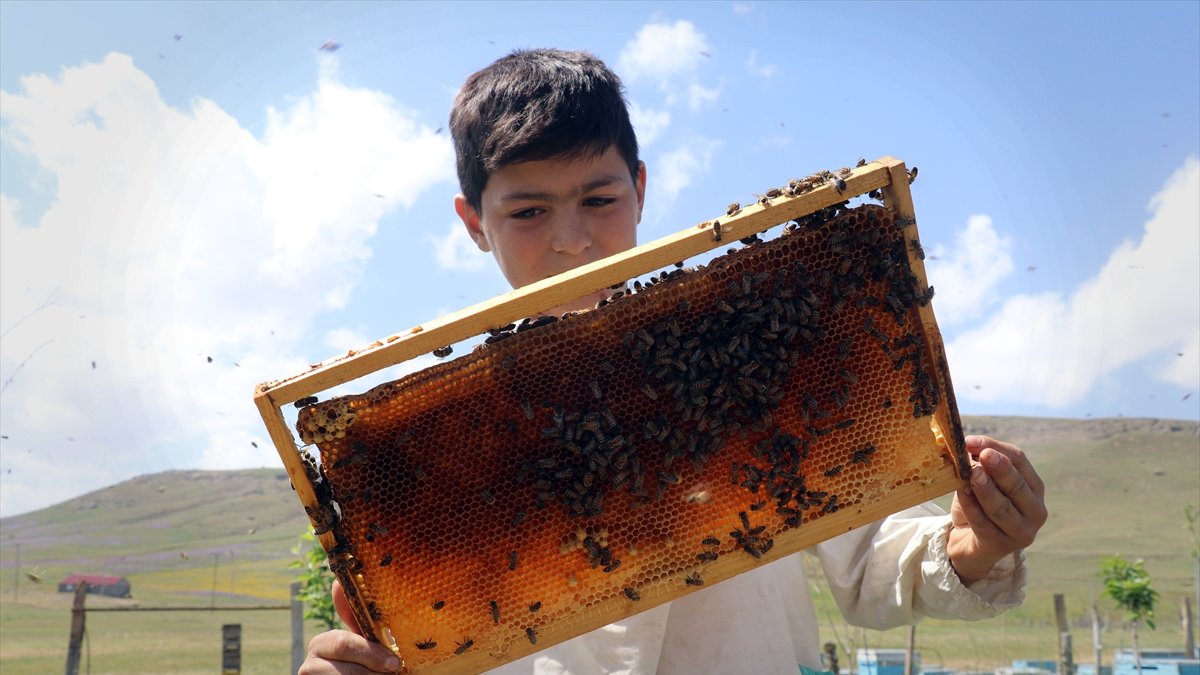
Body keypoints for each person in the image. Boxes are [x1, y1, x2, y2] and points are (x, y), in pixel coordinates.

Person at [299, 49, 1047, 675]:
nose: (572, 239)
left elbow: (873, 559)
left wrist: (972, 542)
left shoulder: (753, 359)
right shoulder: (426, 450)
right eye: (528, 211)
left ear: (641, 188)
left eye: (598, 198)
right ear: (473, 222)